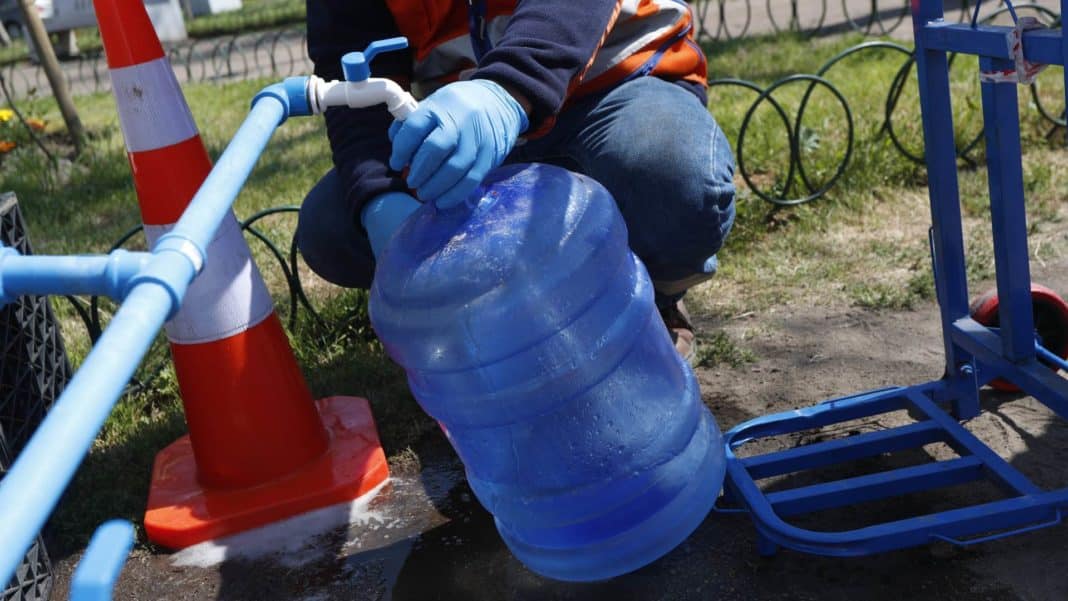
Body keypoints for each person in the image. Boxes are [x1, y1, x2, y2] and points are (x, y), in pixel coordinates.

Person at [298, 0, 736, 363]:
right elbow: (353, 64)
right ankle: (496, 320)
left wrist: (509, 90)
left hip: (614, 88)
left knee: (671, 174)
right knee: (333, 226)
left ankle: (648, 291)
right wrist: (381, 195)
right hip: (466, 121)